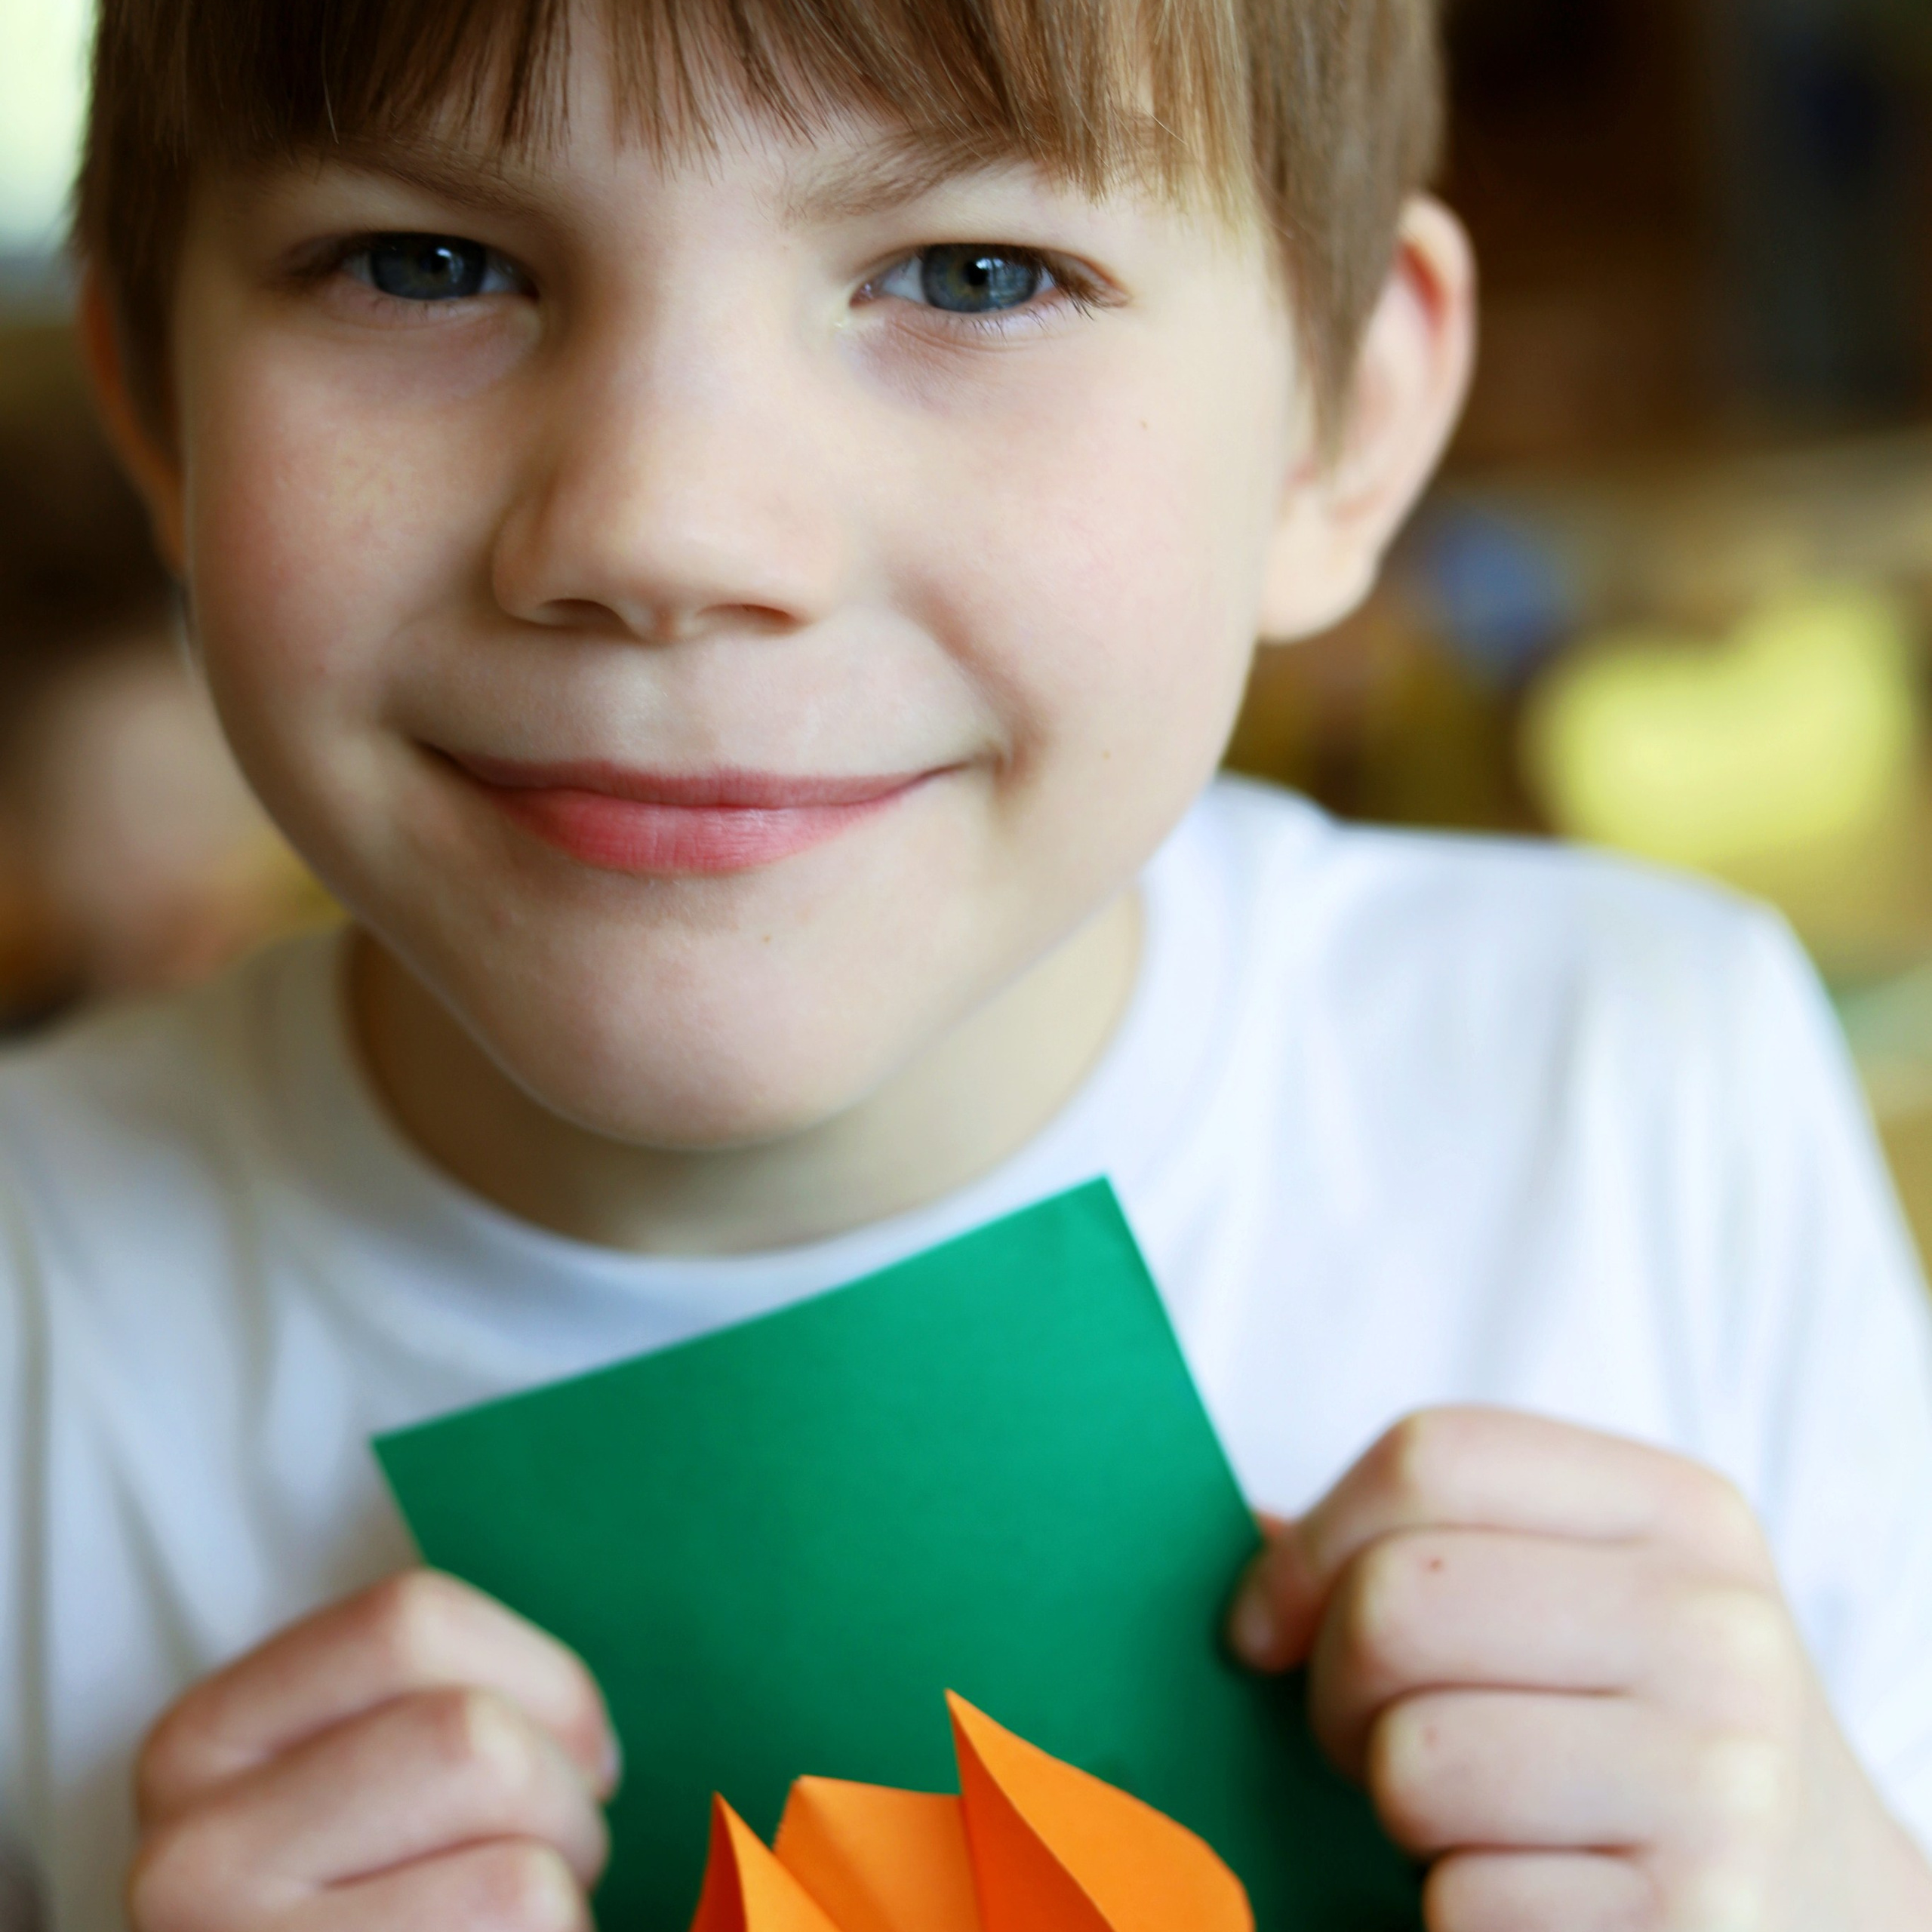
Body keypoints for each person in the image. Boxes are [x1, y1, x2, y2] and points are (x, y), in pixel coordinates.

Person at [5, 0, 1930, 1926]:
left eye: (972, 273)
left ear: (1337, 422)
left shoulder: (1640, 1078)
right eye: (425, 265)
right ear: (154, 396)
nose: (661, 528)